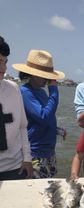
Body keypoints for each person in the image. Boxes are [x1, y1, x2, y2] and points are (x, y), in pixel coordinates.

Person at [12, 49, 65, 178]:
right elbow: (43, 117)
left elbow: (44, 117)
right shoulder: (25, 92)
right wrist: (53, 90)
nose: (47, 79)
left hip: (49, 152)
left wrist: (56, 130)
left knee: (51, 191)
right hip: (35, 153)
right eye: (44, 75)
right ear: (32, 74)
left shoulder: (40, 91)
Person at [0, 36, 32, 180]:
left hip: (14, 167)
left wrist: (27, 158)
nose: (4, 68)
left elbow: (22, 127)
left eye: (5, 61)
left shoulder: (13, 89)